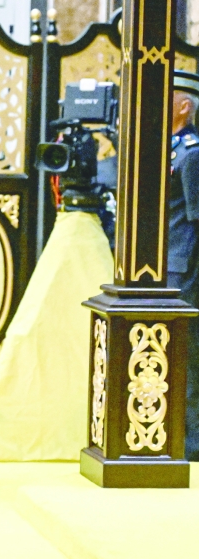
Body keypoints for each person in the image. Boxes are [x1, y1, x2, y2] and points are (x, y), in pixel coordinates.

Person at [166, 71, 199, 462]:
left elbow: (195, 220)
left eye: (168, 98)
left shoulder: (191, 153)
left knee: (187, 351)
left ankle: (191, 439)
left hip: (184, 267)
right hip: (166, 265)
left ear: (184, 106)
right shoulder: (171, 149)